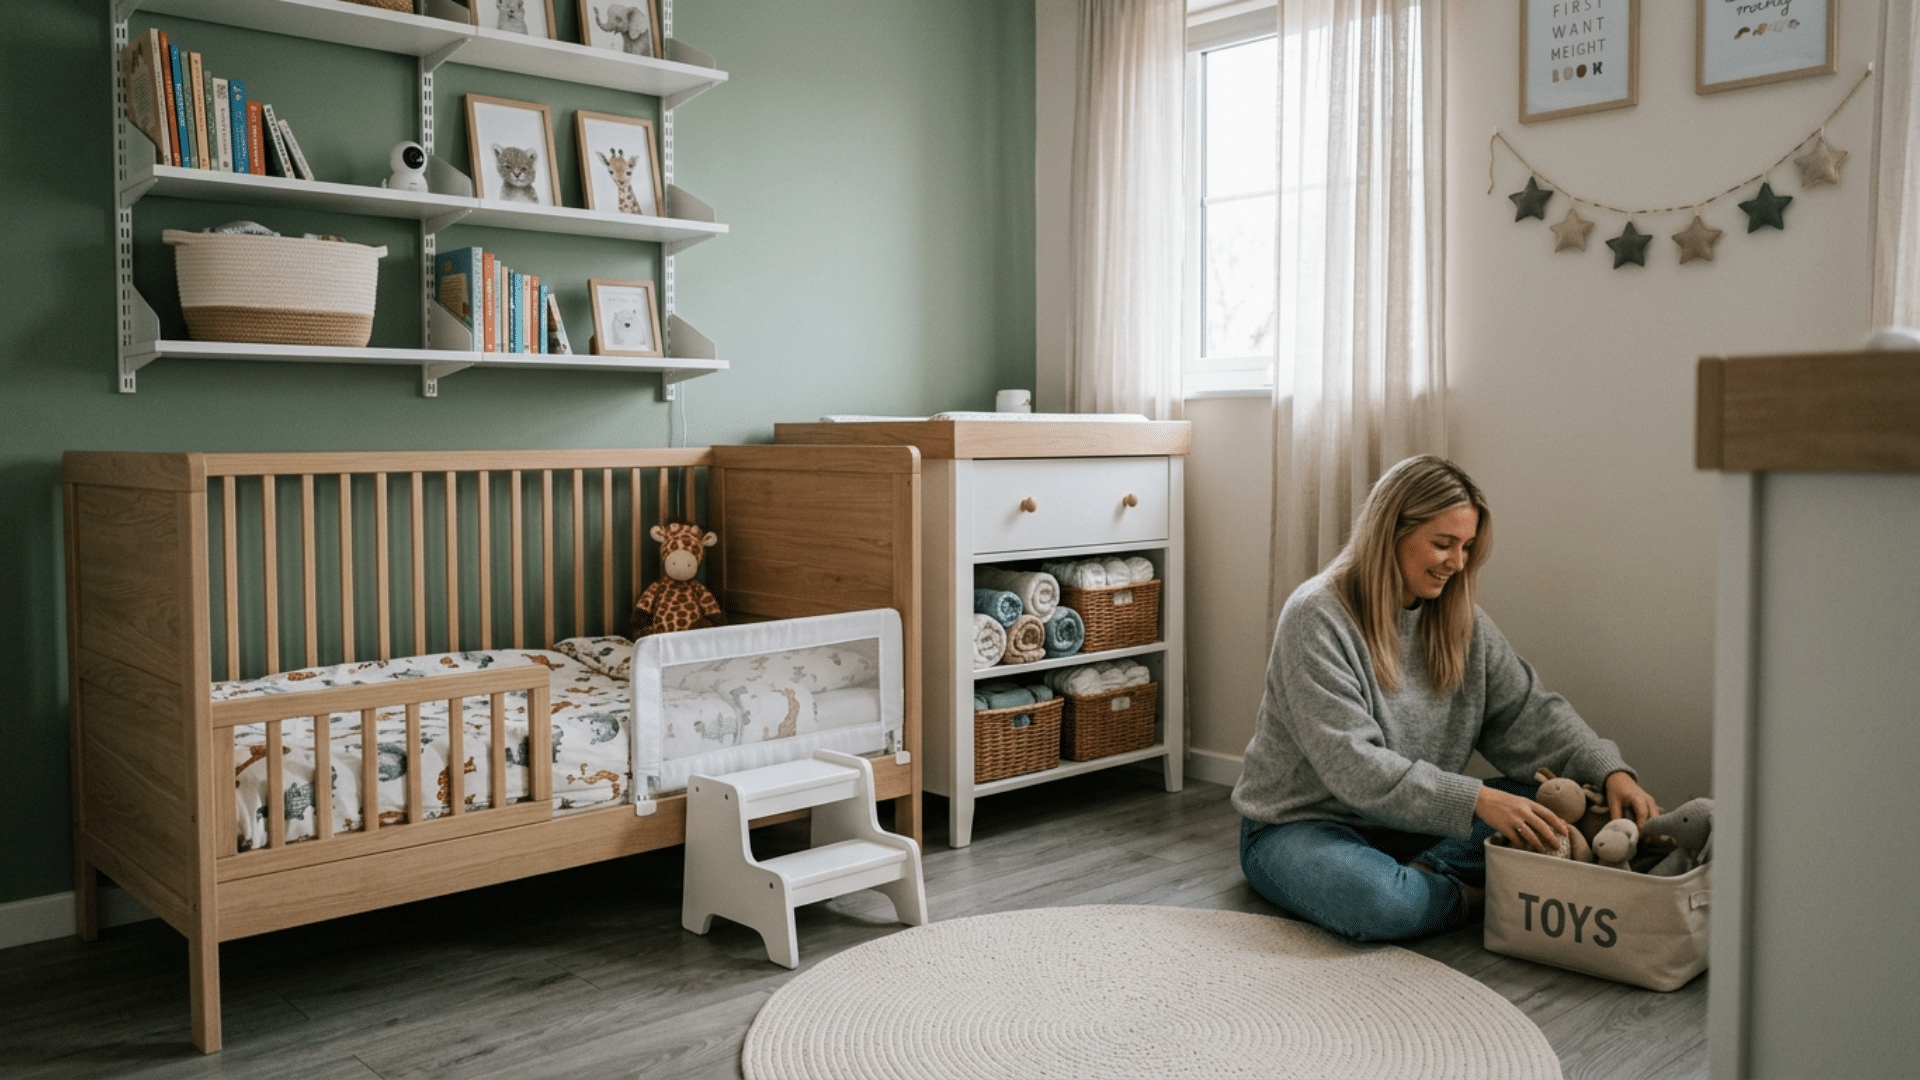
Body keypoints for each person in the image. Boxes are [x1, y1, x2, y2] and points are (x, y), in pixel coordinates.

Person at [1233, 455, 1657, 942]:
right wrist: (1477, 798)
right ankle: (1466, 892)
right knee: (1383, 903)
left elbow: (1528, 714)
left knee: (1569, 805)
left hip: (1414, 822)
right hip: (1304, 826)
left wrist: (1608, 770)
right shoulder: (1315, 616)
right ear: (1390, 532)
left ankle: (1428, 879)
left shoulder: (1460, 617)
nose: (1458, 563)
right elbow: (1355, 767)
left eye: (1467, 547)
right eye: (1443, 544)